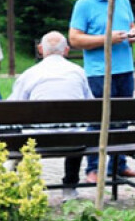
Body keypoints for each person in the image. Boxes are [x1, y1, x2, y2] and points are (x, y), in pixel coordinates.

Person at [69, 0, 135, 183]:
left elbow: (130, 25)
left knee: (122, 119)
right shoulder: (84, 3)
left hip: (124, 69)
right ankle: (93, 168)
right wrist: (106, 39)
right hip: (99, 72)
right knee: (98, 120)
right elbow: (74, 39)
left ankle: (118, 165)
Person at [9, 31, 94, 199]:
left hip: (37, 141)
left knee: (22, 132)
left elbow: (11, 107)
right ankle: (69, 188)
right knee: (77, 131)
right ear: (67, 50)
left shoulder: (29, 74)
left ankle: (30, 185)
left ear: (40, 49)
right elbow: (90, 105)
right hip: (73, 142)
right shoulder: (79, 72)